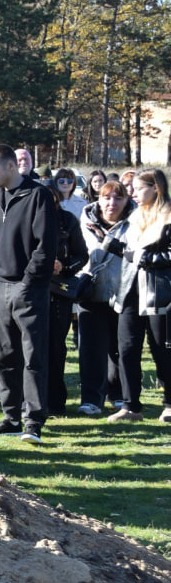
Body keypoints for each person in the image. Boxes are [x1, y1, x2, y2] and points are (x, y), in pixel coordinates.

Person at [0, 144, 58, 443]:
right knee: (3, 354)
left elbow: (45, 247)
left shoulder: (39, 195)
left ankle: (33, 422)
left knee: (33, 356)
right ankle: (11, 417)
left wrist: (28, 283)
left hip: (28, 289)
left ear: (11, 167)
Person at [102, 168, 171, 423]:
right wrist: (113, 245)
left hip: (160, 292)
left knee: (162, 349)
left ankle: (169, 404)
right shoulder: (134, 216)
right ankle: (131, 406)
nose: (132, 192)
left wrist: (146, 258)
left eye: (138, 188)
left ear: (156, 188)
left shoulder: (168, 216)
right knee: (127, 348)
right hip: (130, 288)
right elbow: (132, 254)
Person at [76, 181, 129, 416]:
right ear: (98, 198)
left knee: (121, 348)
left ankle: (118, 394)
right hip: (91, 291)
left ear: (126, 200)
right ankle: (91, 398)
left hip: (125, 292)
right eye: (107, 197)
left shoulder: (136, 221)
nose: (111, 203)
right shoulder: (85, 220)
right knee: (90, 348)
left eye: (118, 198)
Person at [46, 178, 88, 415]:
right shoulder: (26, 220)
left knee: (55, 345)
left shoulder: (67, 221)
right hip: (30, 290)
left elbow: (82, 255)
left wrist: (64, 266)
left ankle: (56, 399)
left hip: (59, 292)